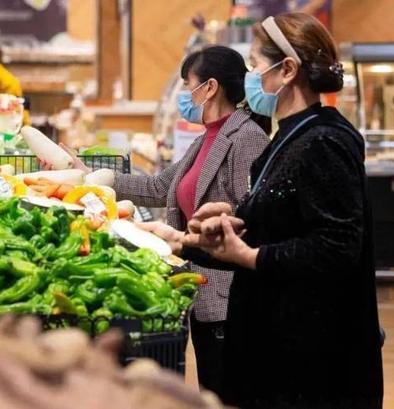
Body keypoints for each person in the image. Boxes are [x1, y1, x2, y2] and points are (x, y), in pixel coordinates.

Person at [142, 13, 383, 409]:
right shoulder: (289, 137)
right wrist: (189, 239)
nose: (250, 77)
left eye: (255, 64)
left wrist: (251, 256)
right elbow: (280, 225)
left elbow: (337, 246)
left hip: (311, 363)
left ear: (286, 70)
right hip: (280, 351)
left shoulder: (323, 140)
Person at [43, 46, 270, 395]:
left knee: (225, 389)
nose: (185, 95)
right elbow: (159, 187)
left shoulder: (247, 138)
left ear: (210, 88)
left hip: (228, 294)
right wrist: (89, 176)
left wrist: (204, 228)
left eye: (188, 85)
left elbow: (253, 215)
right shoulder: (206, 139)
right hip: (202, 289)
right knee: (211, 384)